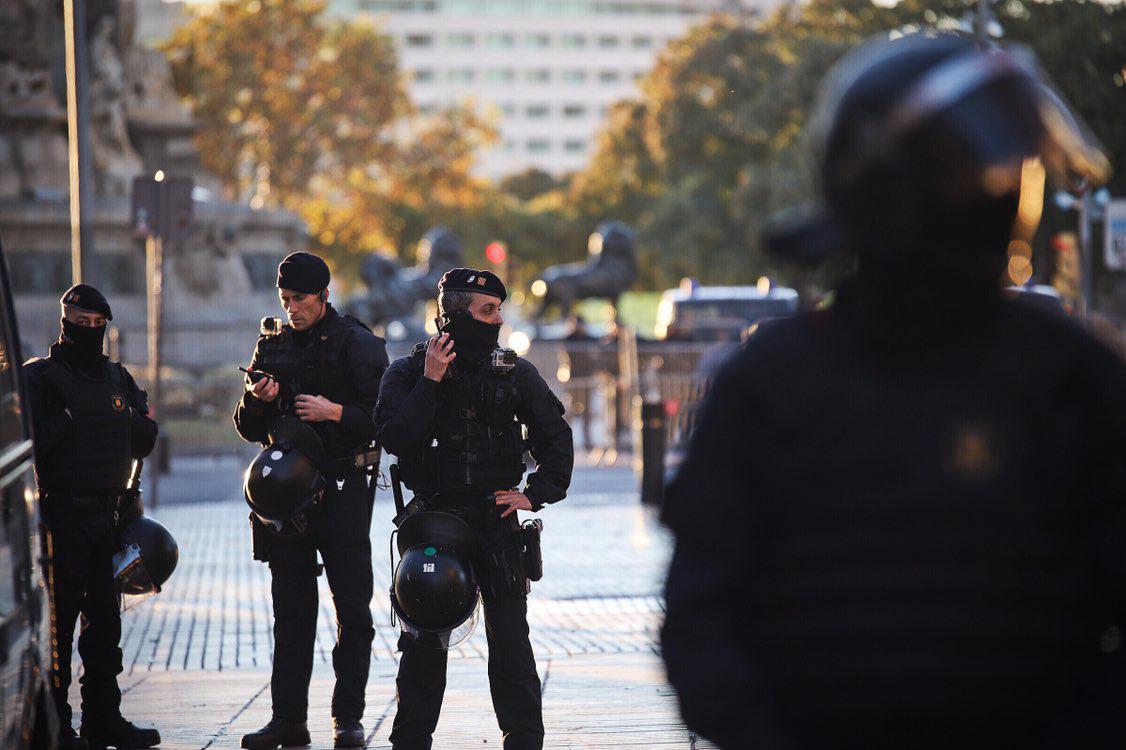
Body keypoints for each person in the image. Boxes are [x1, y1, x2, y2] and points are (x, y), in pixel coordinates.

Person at [661, 32, 1126, 749]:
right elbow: (703, 621)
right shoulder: (771, 384)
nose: (1013, 193)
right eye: (990, 168)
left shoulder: (1072, 378)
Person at [375, 268, 574, 750]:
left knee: (510, 642)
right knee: (424, 641)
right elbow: (395, 438)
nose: (498, 320)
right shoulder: (408, 370)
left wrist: (536, 492)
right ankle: (410, 742)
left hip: (496, 520)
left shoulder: (514, 371)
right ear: (454, 314)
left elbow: (556, 438)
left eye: (499, 311)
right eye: (487, 311)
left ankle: (524, 740)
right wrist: (431, 383)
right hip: (435, 521)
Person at [233, 252, 389, 749]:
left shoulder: (359, 345)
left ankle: (348, 717)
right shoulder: (272, 345)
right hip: (287, 500)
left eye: (299, 300)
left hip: (343, 490)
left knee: (353, 611)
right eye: (285, 300)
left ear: (324, 296)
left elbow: (385, 422)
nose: (292, 309)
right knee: (292, 612)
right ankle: (288, 719)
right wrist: (256, 401)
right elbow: (248, 428)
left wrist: (334, 411)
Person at [23, 284, 160, 750]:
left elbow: (146, 438)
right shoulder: (39, 378)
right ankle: (57, 724)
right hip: (60, 518)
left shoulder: (116, 377)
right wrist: (64, 422)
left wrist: (125, 421)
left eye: (95, 325)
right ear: (64, 323)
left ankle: (104, 718)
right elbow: (25, 447)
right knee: (58, 631)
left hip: (108, 519)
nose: (87, 332)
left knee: (104, 632)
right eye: (78, 324)